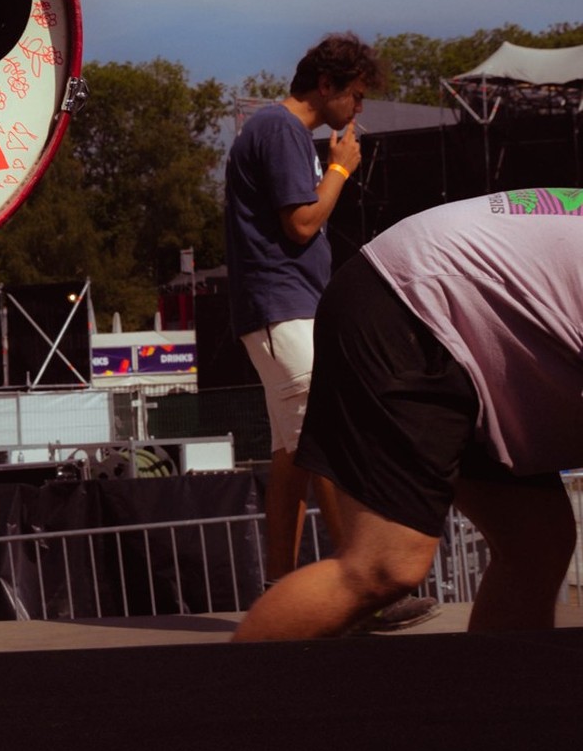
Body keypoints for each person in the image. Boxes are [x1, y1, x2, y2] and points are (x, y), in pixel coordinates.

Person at [234, 189, 583, 642]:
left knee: (534, 542)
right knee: (383, 564)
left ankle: (499, 707)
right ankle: (220, 706)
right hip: (408, 303)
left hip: (457, 307)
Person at [224, 35, 433, 628]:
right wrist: (340, 167)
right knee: (328, 445)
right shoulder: (282, 130)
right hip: (282, 308)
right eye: (357, 96)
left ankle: (281, 591)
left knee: (294, 453)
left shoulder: (274, 130)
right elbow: (302, 222)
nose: (358, 110)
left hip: (279, 309)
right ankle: (360, 593)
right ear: (327, 86)